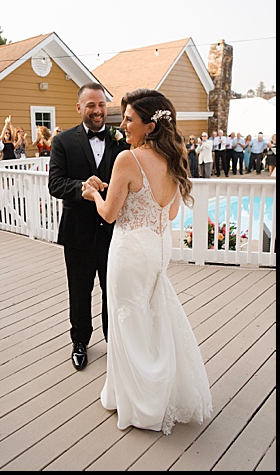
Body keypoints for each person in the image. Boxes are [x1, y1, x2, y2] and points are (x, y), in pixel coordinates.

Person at [80, 88, 212, 434]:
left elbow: (109, 215)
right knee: (153, 316)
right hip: (156, 247)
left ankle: (141, 402)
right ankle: (160, 390)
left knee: (128, 321)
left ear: (149, 126)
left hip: (129, 249)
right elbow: (168, 209)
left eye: (128, 120)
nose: (122, 125)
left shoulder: (128, 158)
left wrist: (93, 192)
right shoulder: (174, 157)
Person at [47, 82, 129, 370]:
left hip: (114, 232)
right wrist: (81, 186)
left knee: (113, 289)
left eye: (102, 104)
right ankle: (80, 341)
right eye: (91, 105)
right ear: (79, 107)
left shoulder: (122, 141)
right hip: (77, 232)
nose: (97, 110)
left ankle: (113, 341)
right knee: (79, 290)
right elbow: (54, 184)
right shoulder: (63, 142)